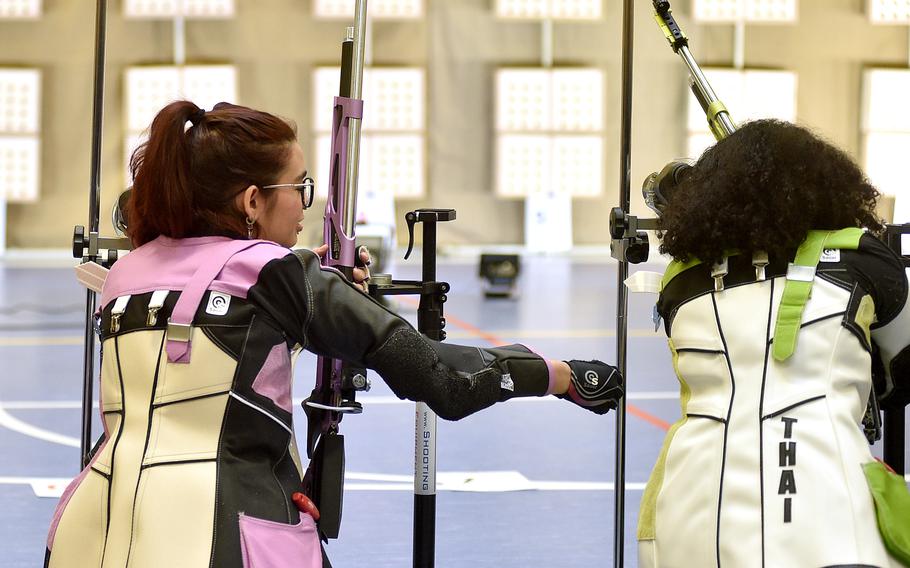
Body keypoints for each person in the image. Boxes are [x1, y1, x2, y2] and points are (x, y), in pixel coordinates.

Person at [44, 100, 623, 568]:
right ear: (252, 200)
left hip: (91, 530)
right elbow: (446, 381)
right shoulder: (280, 274)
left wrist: (322, 287)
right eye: (300, 188)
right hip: (222, 537)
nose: (305, 205)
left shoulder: (126, 273)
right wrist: (560, 376)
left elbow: (215, 348)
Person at [638, 119, 910, 568]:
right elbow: (901, 375)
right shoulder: (863, 259)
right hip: (829, 517)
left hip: (682, 517)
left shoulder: (679, 283)